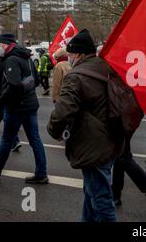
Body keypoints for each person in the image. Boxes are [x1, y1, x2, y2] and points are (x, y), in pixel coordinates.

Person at [47, 29, 124, 222]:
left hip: (92, 144)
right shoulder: (107, 68)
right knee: (91, 192)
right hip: (111, 138)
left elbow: (63, 111)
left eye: (70, 54)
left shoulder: (76, 76)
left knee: (100, 198)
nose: (69, 57)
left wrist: (53, 130)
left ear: (79, 54)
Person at [0, 33, 48, 185]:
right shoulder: (27, 57)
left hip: (15, 107)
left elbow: (15, 85)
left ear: (5, 45)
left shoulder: (11, 59)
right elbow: (35, 80)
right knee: (35, 139)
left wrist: (3, 98)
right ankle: (41, 173)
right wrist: (25, 85)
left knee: (6, 139)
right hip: (30, 105)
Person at [112, 126, 146, 217]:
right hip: (127, 119)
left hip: (123, 120)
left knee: (123, 156)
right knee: (120, 155)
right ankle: (115, 195)